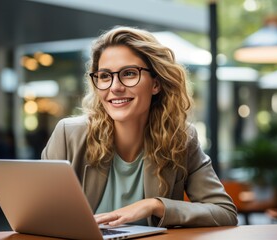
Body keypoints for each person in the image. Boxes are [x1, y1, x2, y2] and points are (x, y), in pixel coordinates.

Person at [41, 26, 238, 228]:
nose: (115, 87)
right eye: (105, 76)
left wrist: (155, 205)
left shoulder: (181, 138)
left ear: (156, 84)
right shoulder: (68, 134)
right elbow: (39, 213)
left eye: (128, 73)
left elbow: (224, 212)